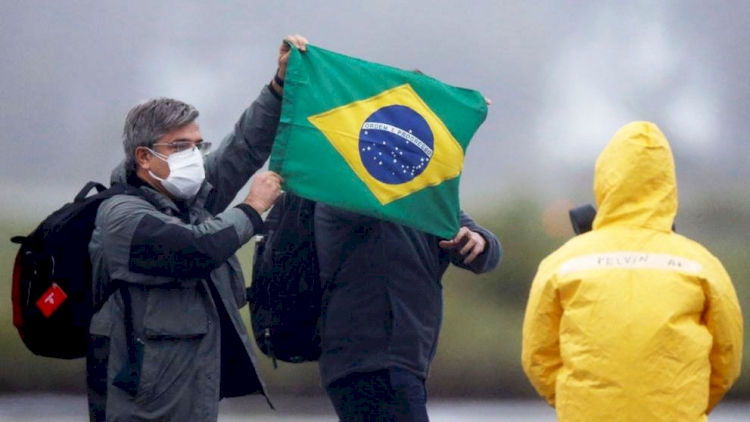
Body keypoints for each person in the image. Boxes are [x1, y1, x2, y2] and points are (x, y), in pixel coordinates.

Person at [85, 35, 309, 421]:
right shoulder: (120, 216)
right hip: (140, 409)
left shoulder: (190, 201)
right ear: (143, 157)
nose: (193, 156)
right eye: (180, 147)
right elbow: (193, 250)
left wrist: (279, 86)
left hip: (193, 402)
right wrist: (253, 208)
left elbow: (243, 147)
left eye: (197, 145)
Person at [521, 121, 743, 421]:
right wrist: (685, 407)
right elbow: (726, 360)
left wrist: (580, 403)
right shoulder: (702, 265)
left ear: (605, 180)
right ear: (667, 184)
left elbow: (538, 358)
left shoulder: (562, 263)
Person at [314, 204, 502, 421]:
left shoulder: (420, 197)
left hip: (401, 361)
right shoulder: (348, 190)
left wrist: (480, 241)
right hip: (371, 360)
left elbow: (486, 257)